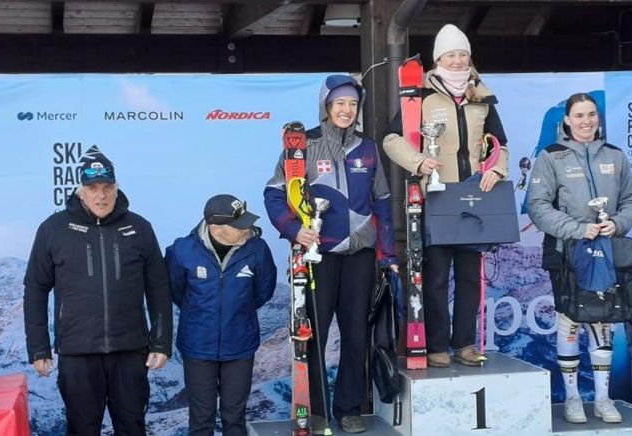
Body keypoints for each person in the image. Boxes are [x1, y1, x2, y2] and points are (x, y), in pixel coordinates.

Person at [264, 75, 397, 434]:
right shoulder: (302, 145)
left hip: (359, 256)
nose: (346, 110)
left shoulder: (367, 148)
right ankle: (317, 407)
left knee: (356, 334)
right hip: (317, 255)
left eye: (353, 104)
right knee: (316, 335)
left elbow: (382, 201)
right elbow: (275, 194)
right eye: (339, 103)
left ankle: (348, 408)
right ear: (326, 106)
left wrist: (388, 253)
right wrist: (294, 230)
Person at [383, 23, 509, 368]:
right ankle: (436, 344)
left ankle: (465, 343)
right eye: (450, 54)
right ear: (438, 59)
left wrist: (497, 169)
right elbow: (391, 139)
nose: (457, 60)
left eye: (462, 54)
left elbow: (500, 143)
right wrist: (418, 161)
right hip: (437, 197)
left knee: (470, 276)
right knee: (435, 277)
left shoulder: (482, 96)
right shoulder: (420, 96)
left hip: (475, 199)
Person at [23, 145, 172, 435]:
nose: (101, 195)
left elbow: (159, 288)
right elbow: (35, 290)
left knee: (132, 428)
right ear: (81, 191)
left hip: (130, 352)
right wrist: (39, 347)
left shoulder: (139, 228)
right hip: (78, 353)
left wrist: (161, 342)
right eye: (93, 188)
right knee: (81, 429)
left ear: (117, 189)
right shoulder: (53, 229)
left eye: (107, 187)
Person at [526, 92, 632, 424]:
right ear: (566, 120)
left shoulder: (615, 156)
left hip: (608, 250)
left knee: (603, 319)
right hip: (567, 252)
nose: (586, 121)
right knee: (571, 319)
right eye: (579, 115)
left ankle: (604, 399)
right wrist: (577, 229)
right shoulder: (551, 157)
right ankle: (574, 397)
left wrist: (616, 223)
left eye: (592, 114)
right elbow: (538, 205)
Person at [165, 194, 276, 436]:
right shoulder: (182, 251)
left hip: (240, 346)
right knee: (201, 419)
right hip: (197, 347)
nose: (247, 228)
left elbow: (263, 291)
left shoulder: (257, 249)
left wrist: (238, 313)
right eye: (239, 225)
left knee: (234, 418)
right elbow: (176, 292)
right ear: (216, 229)